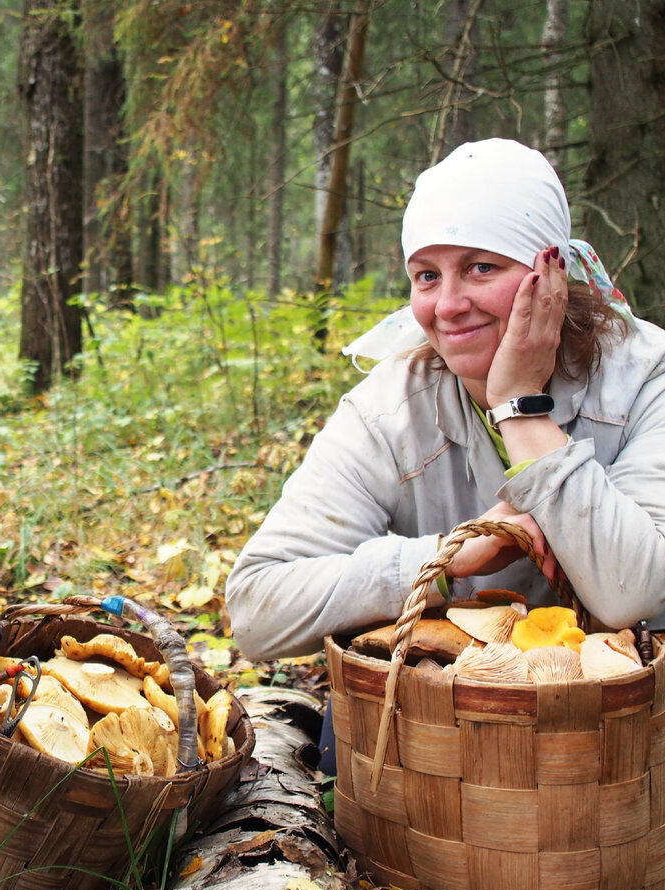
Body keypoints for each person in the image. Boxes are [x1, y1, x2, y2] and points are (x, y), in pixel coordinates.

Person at [226, 137, 665, 675]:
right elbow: (254, 610)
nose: (449, 306)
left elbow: (636, 594)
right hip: (431, 721)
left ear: (549, 273)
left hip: (616, 726)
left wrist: (519, 405)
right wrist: (445, 560)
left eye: (481, 267)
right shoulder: (389, 411)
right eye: (427, 276)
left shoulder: (646, 376)